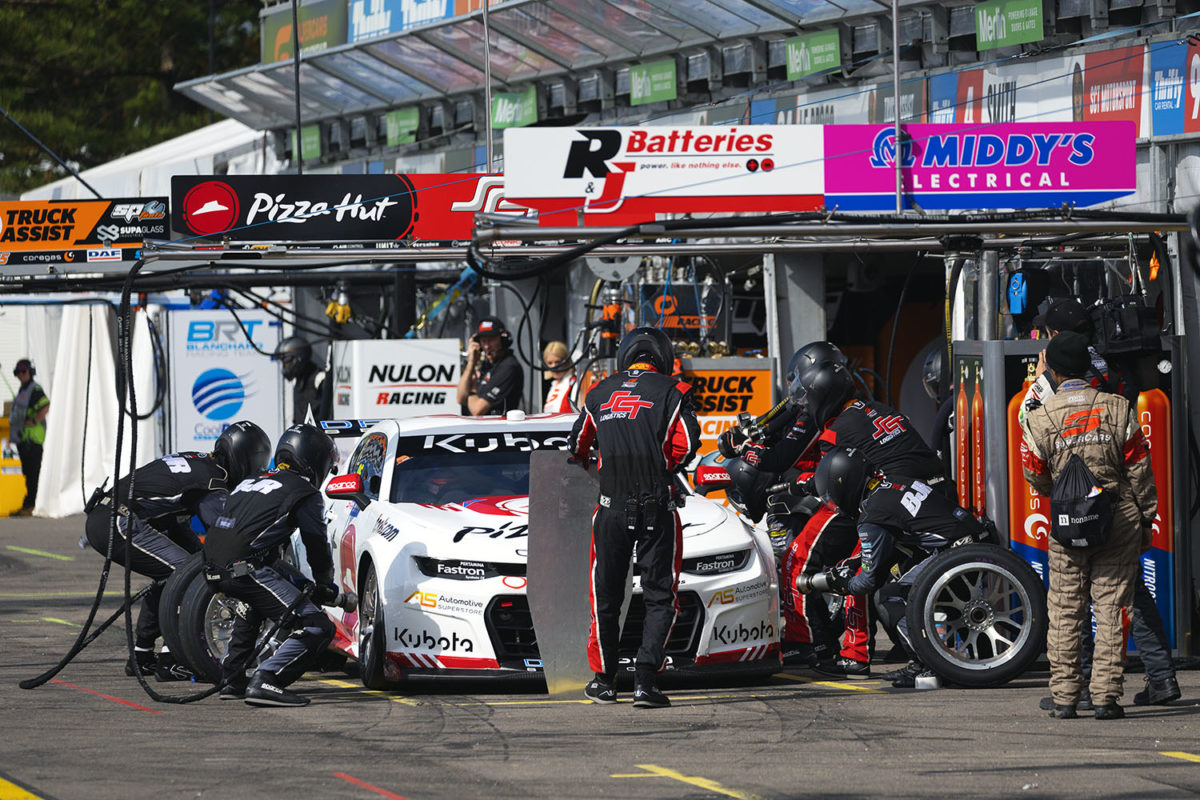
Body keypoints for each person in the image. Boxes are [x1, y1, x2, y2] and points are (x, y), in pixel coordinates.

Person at [1023, 302, 1180, 710]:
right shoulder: (1118, 406)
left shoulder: (1039, 415)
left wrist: (1061, 488)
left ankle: (1064, 697)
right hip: (1118, 517)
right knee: (1113, 608)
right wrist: (1146, 516)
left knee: (1065, 609)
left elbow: (1034, 474)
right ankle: (1108, 697)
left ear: (1053, 370)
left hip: (1067, 521)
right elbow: (1140, 469)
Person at [568, 327, 700, 708]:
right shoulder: (674, 391)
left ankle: (604, 681)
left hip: (610, 507)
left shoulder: (599, 392)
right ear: (664, 355)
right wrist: (665, 465)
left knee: (605, 596)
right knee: (660, 596)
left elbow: (577, 446)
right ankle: (646, 682)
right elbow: (687, 445)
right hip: (658, 505)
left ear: (626, 355)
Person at [84, 420, 271, 680]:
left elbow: (179, 521)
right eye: (258, 463)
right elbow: (223, 530)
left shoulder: (202, 462)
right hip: (118, 520)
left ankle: (142, 655)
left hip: (111, 515)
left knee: (184, 569)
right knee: (189, 578)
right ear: (245, 459)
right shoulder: (214, 480)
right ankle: (169, 659)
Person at [800, 447, 986, 688]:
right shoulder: (894, 483)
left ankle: (927, 664)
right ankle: (970, 658)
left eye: (832, 495)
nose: (834, 504)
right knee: (903, 580)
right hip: (977, 543)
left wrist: (843, 584)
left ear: (845, 484)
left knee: (888, 596)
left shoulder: (872, 514)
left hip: (954, 556)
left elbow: (867, 581)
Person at [203, 424, 340, 707]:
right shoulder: (304, 492)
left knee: (255, 601)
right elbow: (317, 545)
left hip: (210, 568)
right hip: (245, 568)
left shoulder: (252, 480)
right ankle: (268, 679)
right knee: (317, 626)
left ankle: (232, 679)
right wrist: (325, 584)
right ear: (315, 460)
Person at [457, 317, 523, 416]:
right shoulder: (487, 365)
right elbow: (461, 398)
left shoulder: (508, 367)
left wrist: (472, 389)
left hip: (499, 429)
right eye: (483, 341)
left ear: (503, 340)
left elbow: (477, 410)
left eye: (491, 340)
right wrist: (471, 362)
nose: (487, 346)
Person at [8, 359, 49, 517]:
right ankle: (29, 503)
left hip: (33, 440)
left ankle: (31, 504)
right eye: (17, 372)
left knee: (33, 473)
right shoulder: (23, 390)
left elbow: (45, 406)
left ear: (30, 372)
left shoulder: (34, 389)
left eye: (23, 371)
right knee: (28, 473)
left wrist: (34, 421)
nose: (20, 375)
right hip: (23, 440)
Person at [275, 336, 331, 425]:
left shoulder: (320, 379)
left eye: (286, 363)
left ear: (299, 359)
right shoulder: (297, 382)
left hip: (318, 436)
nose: (285, 367)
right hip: (302, 436)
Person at [541, 340, 576, 413]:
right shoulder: (552, 386)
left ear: (566, 361)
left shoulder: (574, 384)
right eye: (550, 363)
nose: (554, 366)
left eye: (558, 362)